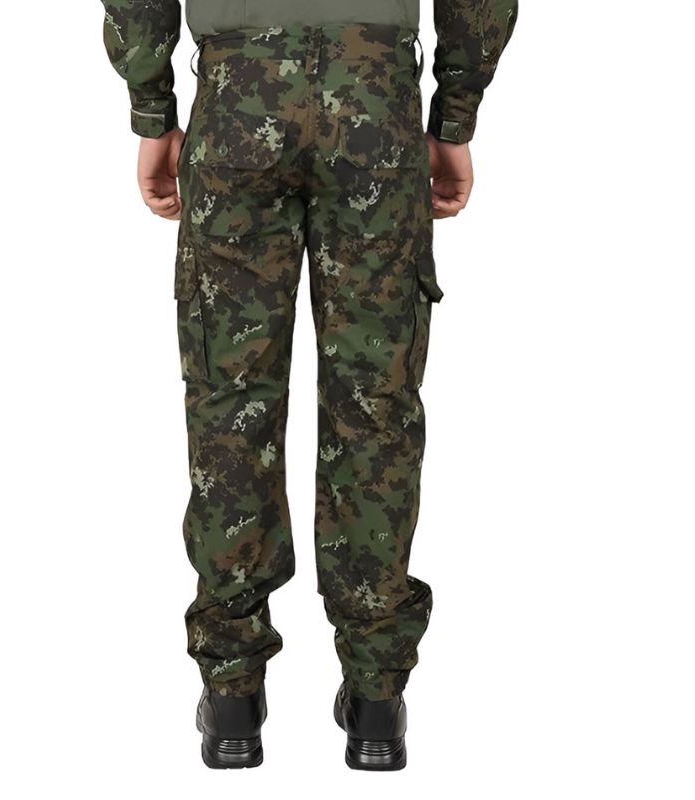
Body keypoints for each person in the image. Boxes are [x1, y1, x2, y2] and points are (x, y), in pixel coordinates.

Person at [100, 0, 517, 771]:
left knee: (230, 403)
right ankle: (377, 703)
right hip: (375, 104)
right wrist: (455, 118)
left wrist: (152, 111)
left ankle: (231, 696)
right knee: (375, 406)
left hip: (237, 101)